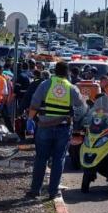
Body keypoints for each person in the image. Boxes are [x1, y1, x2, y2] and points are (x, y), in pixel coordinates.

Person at [27, 60, 86, 200]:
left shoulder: (45, 84)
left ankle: (35, 190)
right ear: (67, 73)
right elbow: (82, 107)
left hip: (44, 127)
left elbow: (34, 103)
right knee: (59, 160)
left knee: (41, 158)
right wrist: (76, 118)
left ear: (54, 71)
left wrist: (30, 120)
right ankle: (53, 192)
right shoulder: (72, 88)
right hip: (63, 128)